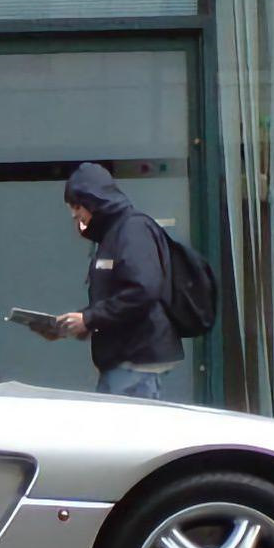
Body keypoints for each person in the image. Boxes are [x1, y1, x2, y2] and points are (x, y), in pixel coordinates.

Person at [49, 162, 183, 398]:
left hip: (135, 361)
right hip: (126, 361)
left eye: (77, 206)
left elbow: (143, 291)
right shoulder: (113, 235)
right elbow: (121, 295)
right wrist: (81, 322)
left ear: (93, 201)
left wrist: (90, 318)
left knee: (128, 432)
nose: (75, 215)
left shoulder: (131, 230)